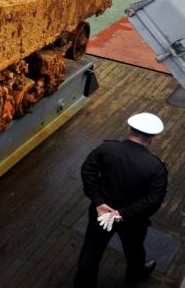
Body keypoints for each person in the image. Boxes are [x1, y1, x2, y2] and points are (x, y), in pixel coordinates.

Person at [74, 113, 168, 287]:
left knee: (91, 251)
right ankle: (136, 274)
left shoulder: (106, 149)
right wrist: (122, 214)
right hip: (132, 220)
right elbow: (153, 200)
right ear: (153, 139)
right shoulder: (156, 167)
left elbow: (88, 172)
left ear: (129, 129)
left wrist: (99, 201)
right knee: (134, 250)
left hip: (101, 213)